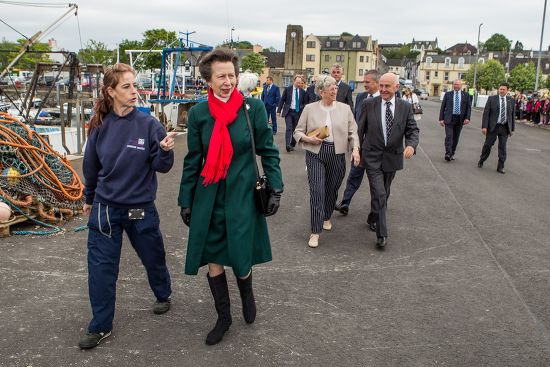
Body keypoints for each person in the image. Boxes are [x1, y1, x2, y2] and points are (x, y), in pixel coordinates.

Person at [178, 48, 283, 345]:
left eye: (232, 75)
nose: (228, 81)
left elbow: (268, 150)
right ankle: (223, 317)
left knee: (240, 254)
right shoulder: (199, 113)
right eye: (221, 76)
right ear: (208, 80)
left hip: (242, 193)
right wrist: (185, 200)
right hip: (208, 195)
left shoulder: (253, 109)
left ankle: (247, 295)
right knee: (213, 256)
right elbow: (193, 159)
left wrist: (276, 186)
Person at [79, 63, 176, 349]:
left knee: (152, 256)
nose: (135, 91)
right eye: (127, 87)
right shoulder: (100, 127)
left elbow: (161, 166)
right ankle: (100, 326)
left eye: (135, 85)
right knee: (101, 268)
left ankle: (163, 293)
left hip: (139, 209)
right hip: (106, 210)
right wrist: (88, 198)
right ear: (111, 92)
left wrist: (167, 151)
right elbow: (91, 167)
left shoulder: (148, 125)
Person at [293, 75, 360, 248]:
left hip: (337, 154)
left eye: (335, 89)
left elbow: (353, 132)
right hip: (315, 153)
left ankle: (327, 215)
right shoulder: (310, 108)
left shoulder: (345, 109)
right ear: (321, 92)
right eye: (331, 89)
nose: (334, 91)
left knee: (331, 190)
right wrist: (308, 138)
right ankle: (315, 232)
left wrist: (355, 149)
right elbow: (298, 132)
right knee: (317, 191)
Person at [356, 73, 419, 249]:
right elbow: (360, 130)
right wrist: (356, 150)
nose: (383, 89)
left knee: (385, 191)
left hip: (393, 157)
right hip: (372, 156)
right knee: (380, 192)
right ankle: (382, 234)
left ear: (396, 88)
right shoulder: (369, 104)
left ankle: (373, 216)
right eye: (381, 85)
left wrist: (411, 146)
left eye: (387, 86)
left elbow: (412, 130)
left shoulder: (405, 107)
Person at [335, 69, 381, 217]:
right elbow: (355, 121)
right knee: (354, 176)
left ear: (377, 83)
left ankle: (375, 215)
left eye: (367, 82)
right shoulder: (361, 97)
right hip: (360, 146)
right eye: (364, 81)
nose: (364, 84)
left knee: (377, 185)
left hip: (378, 151)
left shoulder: (385, 99)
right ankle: (345, 203)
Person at [478, 82, 515, 174]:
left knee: (502, 147)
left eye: (504, 89)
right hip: (493, 127)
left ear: (507, 90)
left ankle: (501, 167)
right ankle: (482, 159)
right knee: (488, 145)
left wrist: (512, 128)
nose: (502, 91)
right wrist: (484, 127)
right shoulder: (492, 99)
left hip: (504, 127)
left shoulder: (511, 100)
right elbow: (486, 113)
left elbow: (512, 115)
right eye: (500, 89)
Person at [438, 79, 471, 161]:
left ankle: (452, 153)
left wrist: (467, 118)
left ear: (461, 85)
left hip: (459, 119)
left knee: (456, 138)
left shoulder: (466, 95)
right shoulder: (448, 94)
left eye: (458, 84)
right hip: (449, 118)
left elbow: (468, 108)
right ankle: (448, 153)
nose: (456, 86)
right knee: (449, 136)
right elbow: (443, 107)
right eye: (455, 84)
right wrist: (441, 119)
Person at [277, 75, 305, 152]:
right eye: (297, 82)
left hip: (298, 113)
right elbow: (282, 100)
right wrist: (279, 111)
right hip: (289, 112)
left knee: (295, 130)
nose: (298, 84)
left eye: (300, 83)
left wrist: (302, 107)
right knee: (289, 128)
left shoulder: (302, 91)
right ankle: (287, 145)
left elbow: (304, 102)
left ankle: (292, 144)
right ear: (294, 81)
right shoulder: (288, 89)